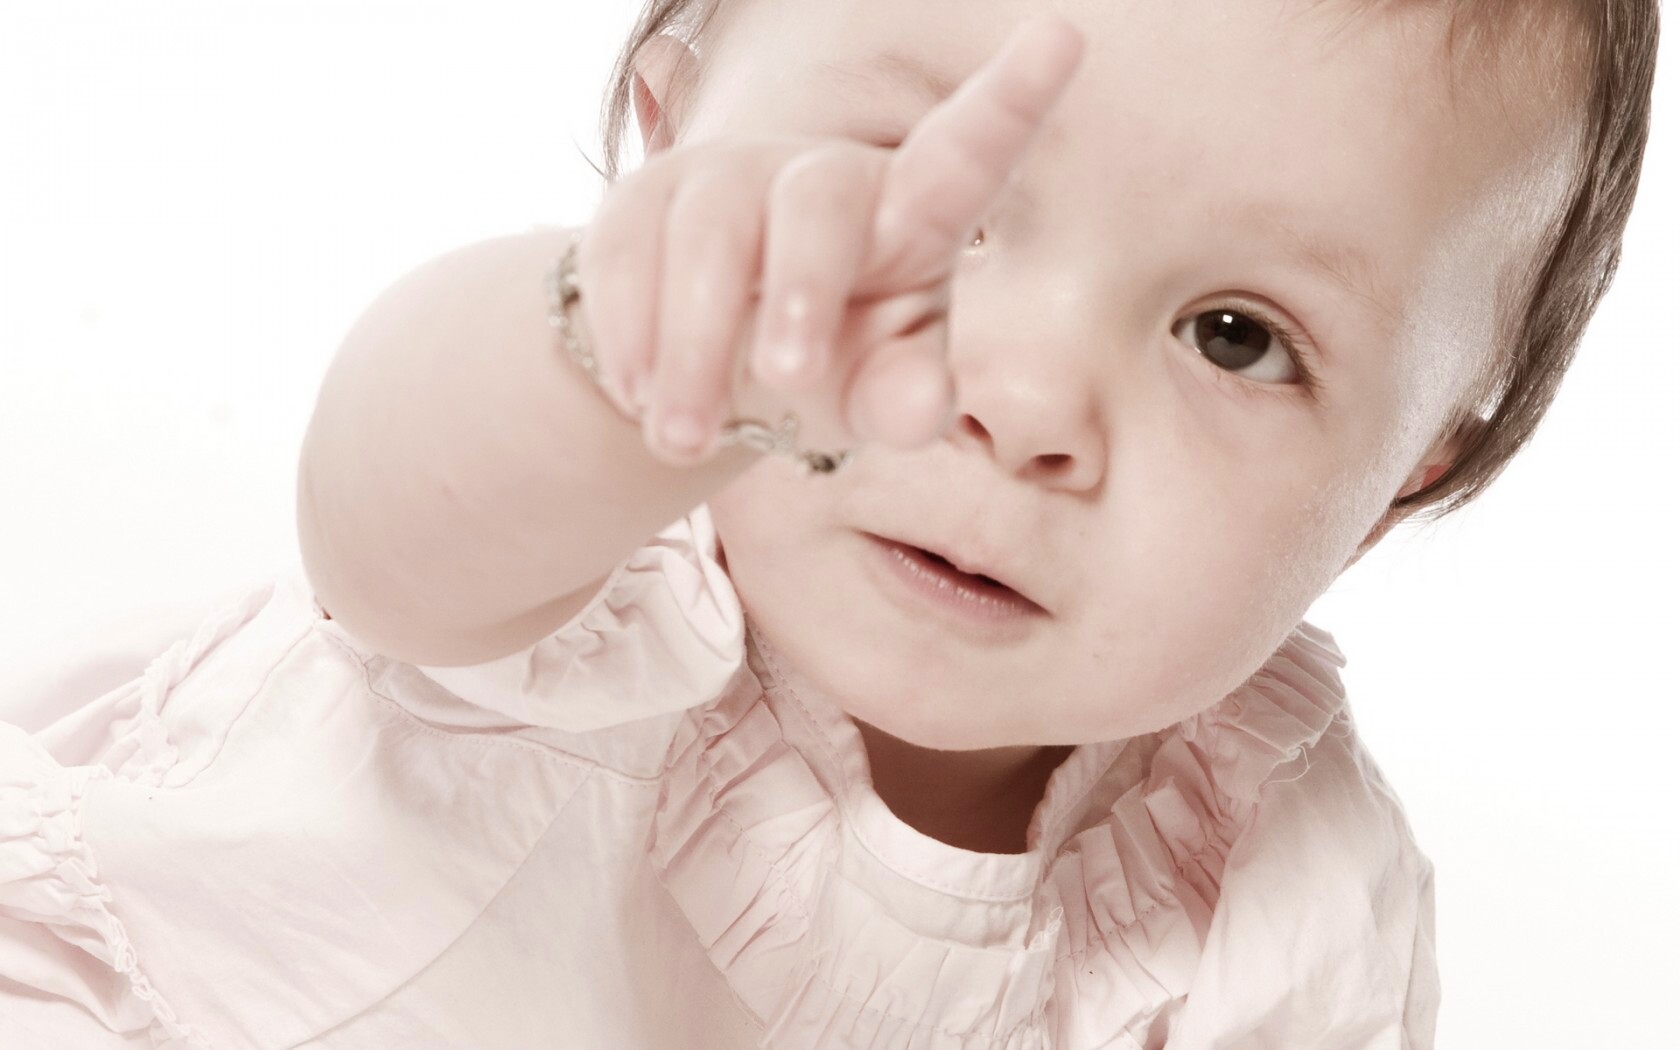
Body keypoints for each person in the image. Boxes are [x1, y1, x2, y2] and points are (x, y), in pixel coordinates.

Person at [0, 0, 1660, 1046]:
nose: (1026, 402)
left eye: (1235, 336)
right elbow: (380, 537)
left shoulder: (1291, 910)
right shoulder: (592, 541)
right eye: (921, 201)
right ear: (670, 140)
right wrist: (624, 353)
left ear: (1405, 476)